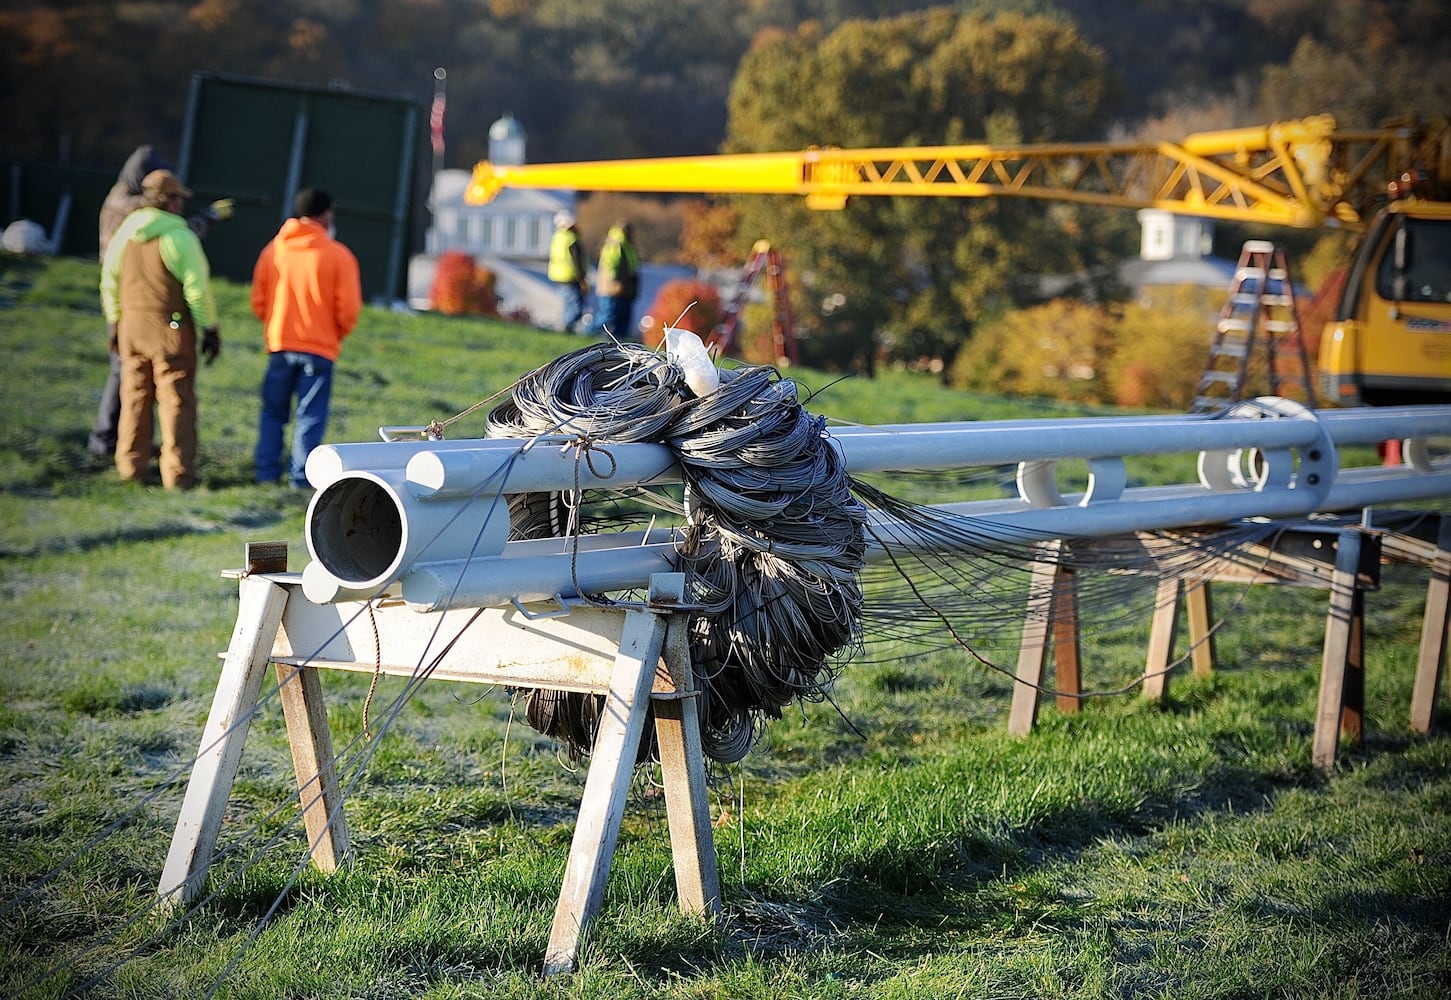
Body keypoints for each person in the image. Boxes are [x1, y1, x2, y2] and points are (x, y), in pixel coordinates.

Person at [88, 145, 231, 458]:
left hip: (130, 327)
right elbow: (197, 290)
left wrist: (114, 323)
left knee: (134, 398)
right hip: (171, 327)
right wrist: (210, 329)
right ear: (171, 200)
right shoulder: (181, 237)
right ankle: (177, 474)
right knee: (176, 401)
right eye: (179, 197)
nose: (182, 202)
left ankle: (129, 466)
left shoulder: (124, 233)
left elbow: (109, 281)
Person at [251, 188, 362, 489]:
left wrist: (276, 326)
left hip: (280, 345)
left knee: (273, 412)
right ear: (326, 214)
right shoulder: (338, 255)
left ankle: (266, 474)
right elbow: (349, 310)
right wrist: (335, 332)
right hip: (319, 349)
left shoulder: (273, 250)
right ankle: (301, 479)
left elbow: (258, 301)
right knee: (309, 416)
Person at [589, 221, 639, 339]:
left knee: (622, 316)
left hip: (625, 288)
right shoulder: (615, 245)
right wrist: (615, 283)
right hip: (613, 288)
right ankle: (589, 333)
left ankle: (618, 339)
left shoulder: (627, 246)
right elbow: (610, 266)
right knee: (607, 315)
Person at [547, 211, 588, 333]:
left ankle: (566, 326)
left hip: (558, 276)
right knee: (576, 307)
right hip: (570, 276)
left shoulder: (557, 236)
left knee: (568, 305)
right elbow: (577, 261)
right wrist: (582, 279)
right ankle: (567, 327)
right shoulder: (571, 238)